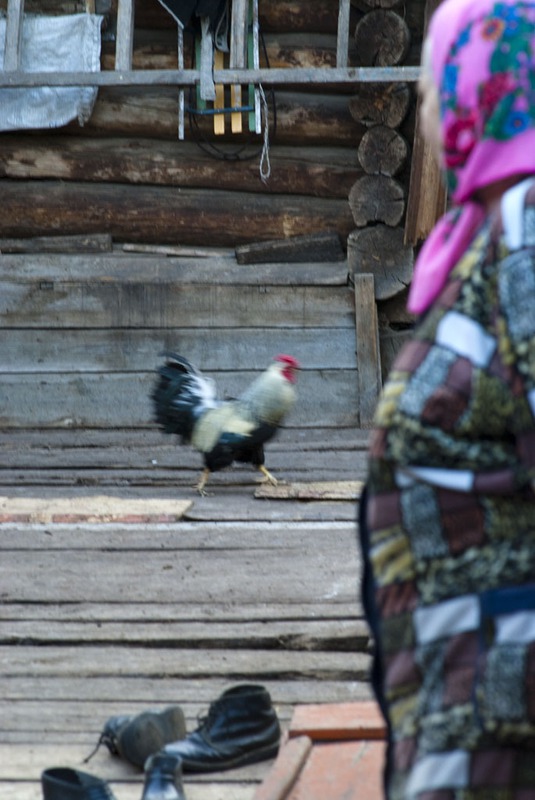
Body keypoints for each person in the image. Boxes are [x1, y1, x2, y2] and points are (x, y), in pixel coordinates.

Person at [360, 0, 535, 797]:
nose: (424, 108)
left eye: (432, 82)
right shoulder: (497, 237)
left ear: (481, 93)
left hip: (498, 733)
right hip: (466, 713)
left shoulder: (527, 250)